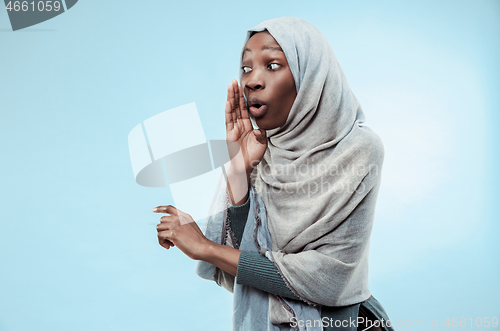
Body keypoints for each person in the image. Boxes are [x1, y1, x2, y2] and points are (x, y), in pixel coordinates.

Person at [153, 17, 395, 331]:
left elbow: (329, 281)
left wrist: (206, 248)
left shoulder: (359, 149)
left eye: (272, 65)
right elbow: (241, 275)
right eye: (246, 68)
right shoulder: (260, 149)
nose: (252, 80)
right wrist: (239, 171)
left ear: (310, 75)